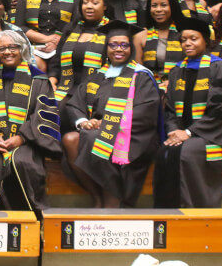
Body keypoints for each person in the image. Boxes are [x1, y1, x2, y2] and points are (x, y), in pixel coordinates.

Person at [63, 20, 162, 208]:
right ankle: (97, 197)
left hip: (131, 136)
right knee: (70, 139)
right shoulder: (98, 74)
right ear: (106, 47)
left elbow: (145, 111)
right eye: (113, 45)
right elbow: (75, 103)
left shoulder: (141, 75)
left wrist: (108, 124)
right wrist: (84, 121)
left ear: (131, 48)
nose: (119, 49)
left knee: (95, 139)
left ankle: (111, 202)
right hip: (95, 131)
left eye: (124, 45)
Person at [0, 30, 60, 213]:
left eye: (12, 47)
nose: (7, 52)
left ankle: (30, 220)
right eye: (2, 48)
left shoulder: (38, 80)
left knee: (23, 162)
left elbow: (44, 114)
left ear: (22, 49)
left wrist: (22, 137)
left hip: (26, 141)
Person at [153, 16, 222, 208]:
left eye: (194, 38)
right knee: (164, 152)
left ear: (205, 41)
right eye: (184, 40)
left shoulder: (218, 67)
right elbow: (170, 111)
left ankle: (195, 211)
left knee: (187, 152)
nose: (188, 43)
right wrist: (173, 132)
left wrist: (189, 133)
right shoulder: (177, 70)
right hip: (184, 133)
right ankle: (167, 212)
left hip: (216, 133)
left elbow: (221, 110)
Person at [48, 0, 111, 113]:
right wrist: (52, 81)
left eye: (95, 3)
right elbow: (56, 61)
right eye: (85, 2)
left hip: (95, 91)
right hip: (65, 88)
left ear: (105, 6)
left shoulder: (111, 32)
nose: (89, 6)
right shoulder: (70, 29)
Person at [16, 0, 77, 72]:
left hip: (63, 49)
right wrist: (47, 39)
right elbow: (19, 27)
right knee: (38, 65)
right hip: (33, 49)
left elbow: (75, 28)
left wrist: (57, 43)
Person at [134, 0, 184, 92]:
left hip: (180, 89)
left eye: (164, 5)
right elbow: (137, 73)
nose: (158, 10)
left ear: (173, 7)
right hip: (149, 91)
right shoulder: (141, 36)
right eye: (154, 6)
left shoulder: (184, 33)